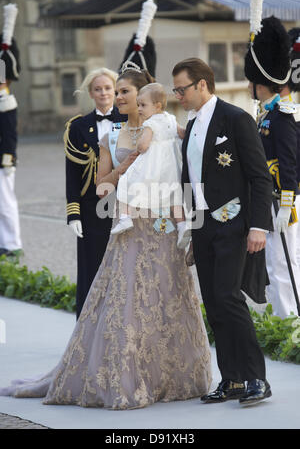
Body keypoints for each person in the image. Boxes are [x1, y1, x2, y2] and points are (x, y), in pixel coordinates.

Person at [0, 66, 212, 410]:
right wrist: (123, 167)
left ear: (144, 98)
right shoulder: (112, 136)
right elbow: (101, 187)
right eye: (119, 91)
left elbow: (193, 153)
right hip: (132, 227)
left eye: (125, 91)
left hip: (166, 227)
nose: (119, 97)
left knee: (168, 297)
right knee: (129, 302)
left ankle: (171, 376)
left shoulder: (166, 126)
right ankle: (130, 376)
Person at [172, 57, 273, 405]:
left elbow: (261, 177)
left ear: (202, 84)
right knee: (214, 303)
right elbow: (191, 180)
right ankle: (230, 379)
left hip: (234, 224)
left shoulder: (236, 118)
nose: (178, 96)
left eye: (181, 89)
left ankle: (256, 378)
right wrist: (190, 231)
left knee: (230, 298)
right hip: (203, 227)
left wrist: (259, 225)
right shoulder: (191, 122)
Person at [245, 17, 300, 319]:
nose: (247, 85)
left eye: (251, 81)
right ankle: (288, 318)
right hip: (273, 197)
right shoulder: (266, 114)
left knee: (282, 263)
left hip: (283, 200)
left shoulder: (282, 115)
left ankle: (288, 323)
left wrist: (285, 205)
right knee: (279, 261)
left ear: (260, 82)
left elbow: (289, 162)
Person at [64, 67, 127, 319]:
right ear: (90, 93)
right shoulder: (79, 127)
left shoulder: (130, 121)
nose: (103, 93)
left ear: (115, 90)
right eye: (98, 89)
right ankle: (87, 328)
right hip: (92, 208)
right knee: (92, 268)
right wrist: (73, 213)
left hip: (124, 205)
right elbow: (72, 173)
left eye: (108, 88)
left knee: (123, 268)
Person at [110, 81, 190, 248]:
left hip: (152, 166)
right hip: (171, 167)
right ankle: (183, 226)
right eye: (138, 105)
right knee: (175, 196)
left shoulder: (150, 124)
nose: (139, 109)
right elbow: (183, 133)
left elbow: (143, 146)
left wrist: (139, 145)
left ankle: (125, 217)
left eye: (143, 105)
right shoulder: (171, 118)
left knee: (127, 182)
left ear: (157, 105)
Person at [0, 4, 22, 257]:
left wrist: (8, 159)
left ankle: (13, 244)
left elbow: (9, 135)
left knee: (6, 204)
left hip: (2, 160)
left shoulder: (6, 99)